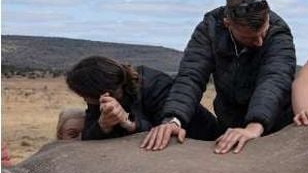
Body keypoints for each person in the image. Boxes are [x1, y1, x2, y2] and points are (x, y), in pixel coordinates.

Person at [141, 0, 296, 154]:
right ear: (227, 23)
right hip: (230, 123)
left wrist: (254, 127)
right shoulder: (210, 29)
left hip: (275, 125)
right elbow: (191, 76)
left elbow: (274, 79)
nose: (259, 42)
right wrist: (173, 120)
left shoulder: (279, 33)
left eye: (262, 32)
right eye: (248, 38)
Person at [65, 56, 218, 141]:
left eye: (86, 97)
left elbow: (165, 131)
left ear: (105, 94)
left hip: (203, 139)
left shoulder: (156, 85)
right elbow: (89, 134)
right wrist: (103, 125)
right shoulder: (100, 100)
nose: (86, 101)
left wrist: (130, 123)